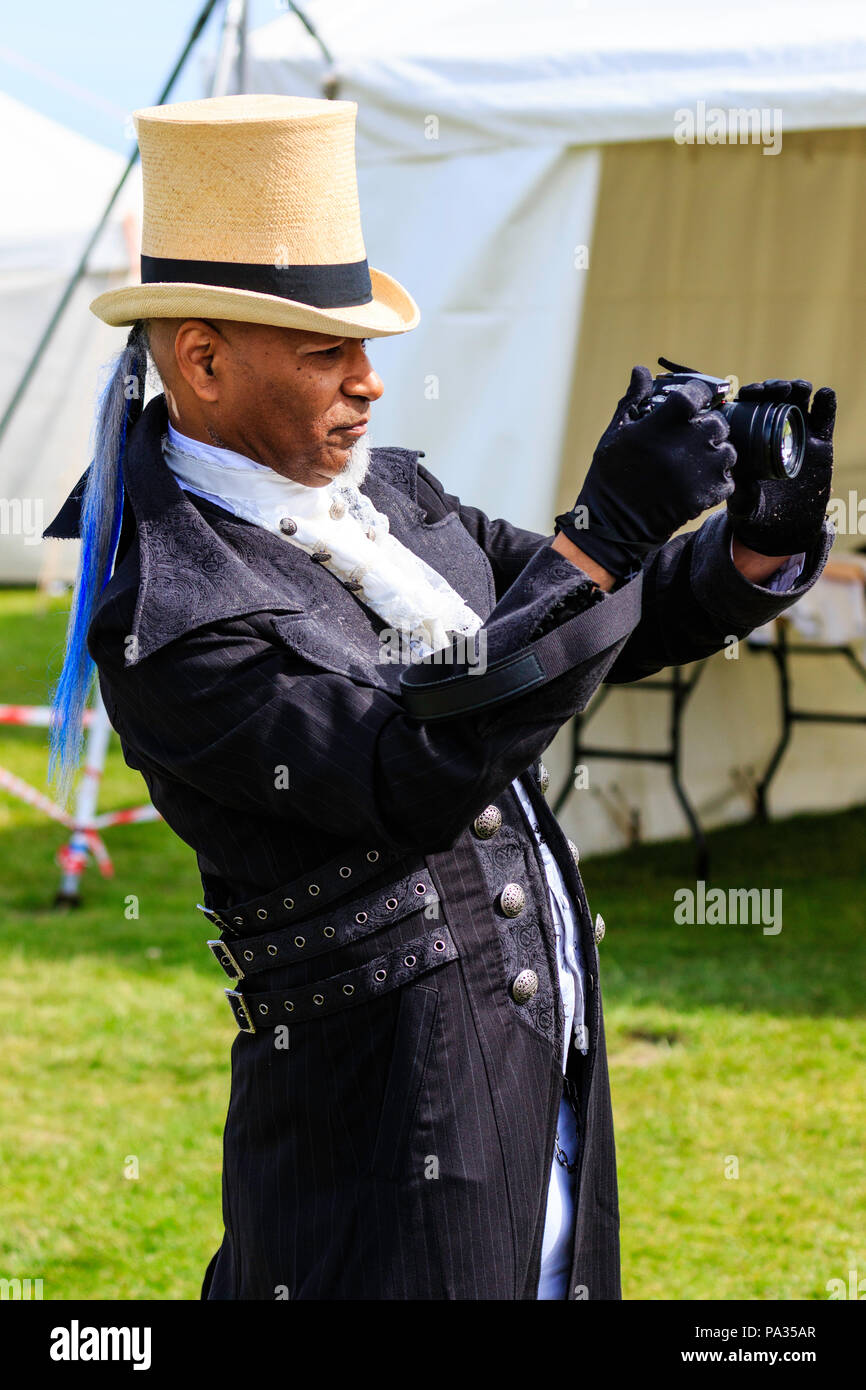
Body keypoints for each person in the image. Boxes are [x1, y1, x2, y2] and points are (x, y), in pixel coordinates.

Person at [44, 94, 834, 1300]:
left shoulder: (385, 503)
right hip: (373, 1141)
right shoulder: (170, 605)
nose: (367, 383)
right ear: (200, 357)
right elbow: (402, 772)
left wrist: (751, 539)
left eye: (364, 345)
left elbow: (596, 624)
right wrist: (601, 533)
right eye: (327, 349)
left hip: (523, 1089)